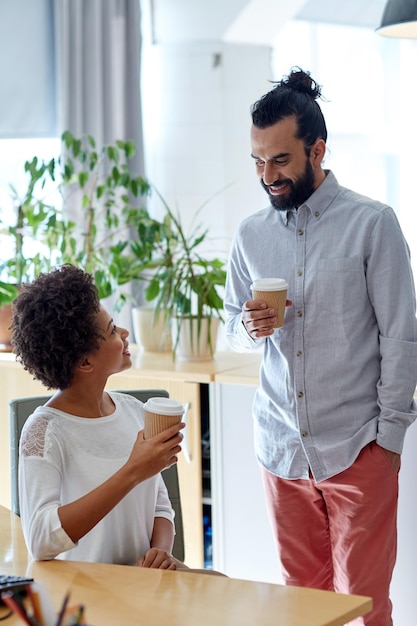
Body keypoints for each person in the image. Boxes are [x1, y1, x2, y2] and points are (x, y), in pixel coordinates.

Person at [224, 67, 417, 626]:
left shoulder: (372, 224)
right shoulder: (250, 235)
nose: (268, 176)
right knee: (301, 605)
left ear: (318, 149)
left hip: (358, 448)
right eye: (258, 162)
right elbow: (228, 328)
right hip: (281, 449)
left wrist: (389, 441)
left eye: (280, 160)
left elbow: (401, 335)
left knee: (363, 605)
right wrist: (248, 327)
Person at [10, 264, 188, 570]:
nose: (124, 333)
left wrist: (159, 553)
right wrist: (132, 471)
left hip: (143, 586)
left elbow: (160, 506)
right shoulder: (44, 431)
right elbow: (40, 539)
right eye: (112, 330)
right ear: (85, 362)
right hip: (85, 598)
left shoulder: (134, 411)